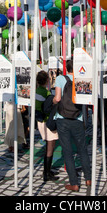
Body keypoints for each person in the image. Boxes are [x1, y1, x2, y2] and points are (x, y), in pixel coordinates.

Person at [53, 60, 91, 192]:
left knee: (67, 152)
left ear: (66, 68)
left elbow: (57, 98)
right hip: (78, 117)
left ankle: (74, 183)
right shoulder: (81, 79)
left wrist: (52, 101)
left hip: (62, 119)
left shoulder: (60, 79)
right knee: (82, 149)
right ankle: (88, 178)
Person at [35, 70, 59, 181]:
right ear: (46, 81)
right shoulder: (46, 92)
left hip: (40, 121)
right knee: (50, 145)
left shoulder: (36, 91)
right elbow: (49, 106)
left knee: (48, 145)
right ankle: (46, 173)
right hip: (47, 121)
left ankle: (47, 170)